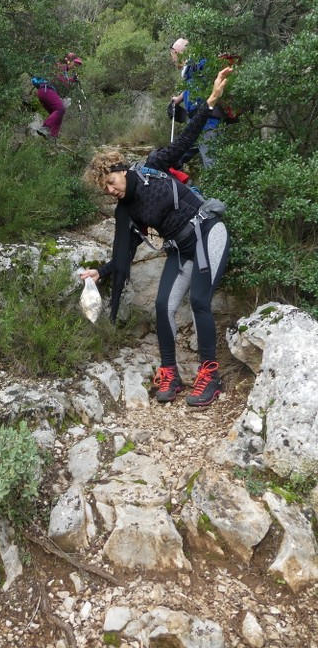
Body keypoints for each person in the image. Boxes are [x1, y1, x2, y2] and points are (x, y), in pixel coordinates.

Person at [80, 66, 233, 408]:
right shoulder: (128, 212)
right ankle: (171, 374)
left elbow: (184, 141)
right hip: (181, 249)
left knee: (199, 301)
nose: (109, 190)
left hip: (207, 232)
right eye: (104, 188)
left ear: (120, 169)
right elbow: (127, 251)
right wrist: (101, 273)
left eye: (110, 182)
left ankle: (210, 376)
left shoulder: (152, 167)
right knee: (163, 305)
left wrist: (209, 102)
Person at [169, 39, 227, 167]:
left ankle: (217, 187)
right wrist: (180, 98)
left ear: (178, 52)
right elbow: (195, 88)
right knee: (177, 157)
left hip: (208, 124)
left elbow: (209, 86)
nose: (172, 59)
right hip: (195, 123)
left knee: (212, 164)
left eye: (172, 55)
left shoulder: (200, 65)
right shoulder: (191, 71)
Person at [34, 53, 83, 140]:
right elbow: (63, 83)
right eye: (75, 64)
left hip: (44, 91)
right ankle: (45, 127)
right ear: (68, 61)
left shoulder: (62, 69)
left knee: (58, 115)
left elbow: (62, 81)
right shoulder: (60, 67)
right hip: (47, 89)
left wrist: (72, 80)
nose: (75, 66)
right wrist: (72, 81)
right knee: (60, 109)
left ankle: (53, 137)